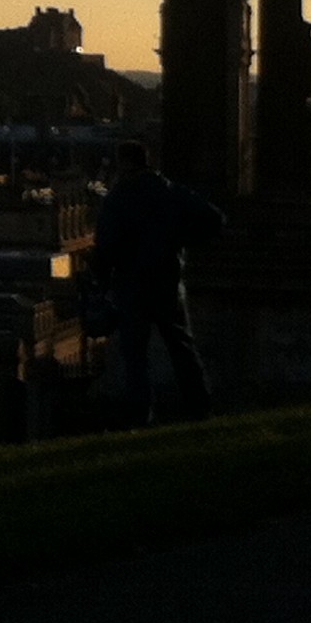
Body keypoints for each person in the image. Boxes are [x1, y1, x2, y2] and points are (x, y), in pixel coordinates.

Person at [93, 141, 225, 425]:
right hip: (167, 282)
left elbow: (104, 248)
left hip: (132, 285)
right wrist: (181, 243)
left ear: (125, 164)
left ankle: (140, 418)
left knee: (136, 359)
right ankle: (201, 409)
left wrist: (103, 285)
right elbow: (215, 219)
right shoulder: (169, 191)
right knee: (182, 350)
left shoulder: (118, 198)